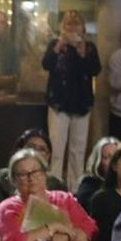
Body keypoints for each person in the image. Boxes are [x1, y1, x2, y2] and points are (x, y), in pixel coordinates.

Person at [43, 10, 99, 180]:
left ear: (83, 28)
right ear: (62, 27)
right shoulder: (56, 44)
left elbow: (96, 69)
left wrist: (82, 54)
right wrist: (59, 45)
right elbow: (46, 64)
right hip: (59, 103)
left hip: (81, 103)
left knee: (78, 149)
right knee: (56, 147)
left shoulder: (89, 47)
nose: (72, 27)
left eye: (76, 24)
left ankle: (75, 188)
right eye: (68, 24)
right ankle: (54, 184)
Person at [76, 136, 121, 206]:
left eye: (116, 157)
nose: (113, 161)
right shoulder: (89, 184)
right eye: (107, 157)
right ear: (98, 161)